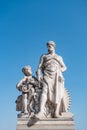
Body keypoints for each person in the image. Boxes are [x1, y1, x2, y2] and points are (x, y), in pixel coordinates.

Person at [36, 41, 67, 118]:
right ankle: (41, 111)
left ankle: (56, 112)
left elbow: (64, 67)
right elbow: (40, 67)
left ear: (54, 46)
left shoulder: (58, 57)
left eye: (50, 46)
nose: (49, 47)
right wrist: (39, 75)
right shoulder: (44, 56)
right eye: (48, 46)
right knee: (44, 91)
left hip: (57, 76)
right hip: (47, 75)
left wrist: (60, 71)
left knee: (58, 93)